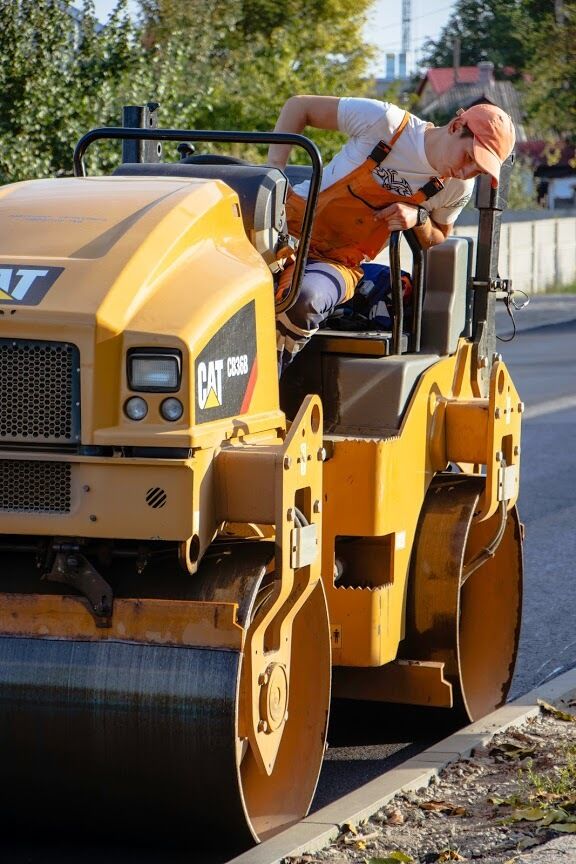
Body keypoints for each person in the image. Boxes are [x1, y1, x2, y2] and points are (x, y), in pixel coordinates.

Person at [267, 97, 516, 374]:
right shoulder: (385, 123)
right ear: (456, 126)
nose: (466, 171)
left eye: (478, 169)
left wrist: (418, 218)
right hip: (279, 232)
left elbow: (437, 239)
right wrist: (274, 175)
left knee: (305, 300)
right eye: (469, 157)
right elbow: (298, 107)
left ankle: (264, 389)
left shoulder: (456, 188)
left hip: (337, 263)